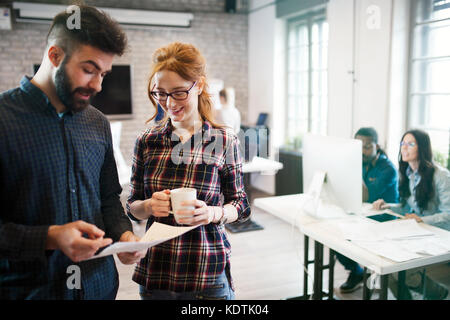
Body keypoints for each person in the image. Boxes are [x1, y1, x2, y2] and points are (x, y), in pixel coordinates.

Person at [0, 5, 145, 299]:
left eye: (103, 74)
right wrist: (50, 237)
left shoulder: (98, 123)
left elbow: (107, 198)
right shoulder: (4, 120)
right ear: (55, 55)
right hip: (31, 291)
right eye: (89, 70)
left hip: (99, 287)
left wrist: (124, 235)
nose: (98, 85)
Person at [127, 42, 251, 300]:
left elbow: (240, 205)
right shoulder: (147, 140)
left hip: (206, 274)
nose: (169, 103)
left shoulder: (224, 140)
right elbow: (132, 206)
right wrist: (149, 206)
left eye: (178, 92)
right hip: (156, 272)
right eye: (160, 93)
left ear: (200, 85)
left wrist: (212, 213)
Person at [373, 129, 450, 299]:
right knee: (383, 265)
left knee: (396, 268)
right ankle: (434, 292)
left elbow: (448, 215)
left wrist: (421, 219)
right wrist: (387, 206)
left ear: (421, 148)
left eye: (410, 144)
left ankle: (436, 292)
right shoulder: (408, 172)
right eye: (402, 143)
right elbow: (406, 207)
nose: (404, 148)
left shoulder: (441, 176)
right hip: (420, 231)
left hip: (440, 234)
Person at [337, 127, 399, 294]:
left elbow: (366, 196)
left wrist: (353, 167)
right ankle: (356, 272)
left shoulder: (387, 168)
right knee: (335, 237)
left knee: (347, 236)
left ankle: (375, 278)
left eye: (367, 146)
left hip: (386, 221)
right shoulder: (362, 163)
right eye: (358, 146)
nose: (362, 151)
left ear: (376, 146)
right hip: (365, 215)